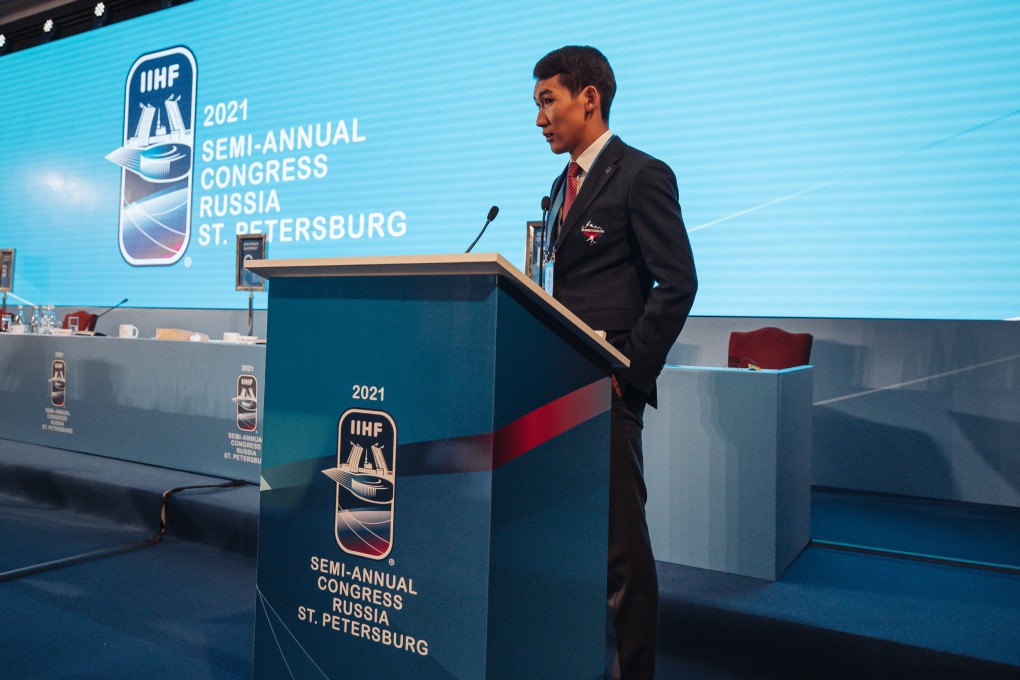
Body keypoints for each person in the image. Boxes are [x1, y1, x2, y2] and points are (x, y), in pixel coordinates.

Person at [533, 46, 697, 679]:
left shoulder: (641, 174)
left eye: (548, 101)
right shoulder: (560, 187)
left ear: (589, 98)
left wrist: (627, 373)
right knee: (570, 541)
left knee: (621, 555)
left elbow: (677, 283)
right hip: (557, 388)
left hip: (606, 389)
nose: (540, 118)